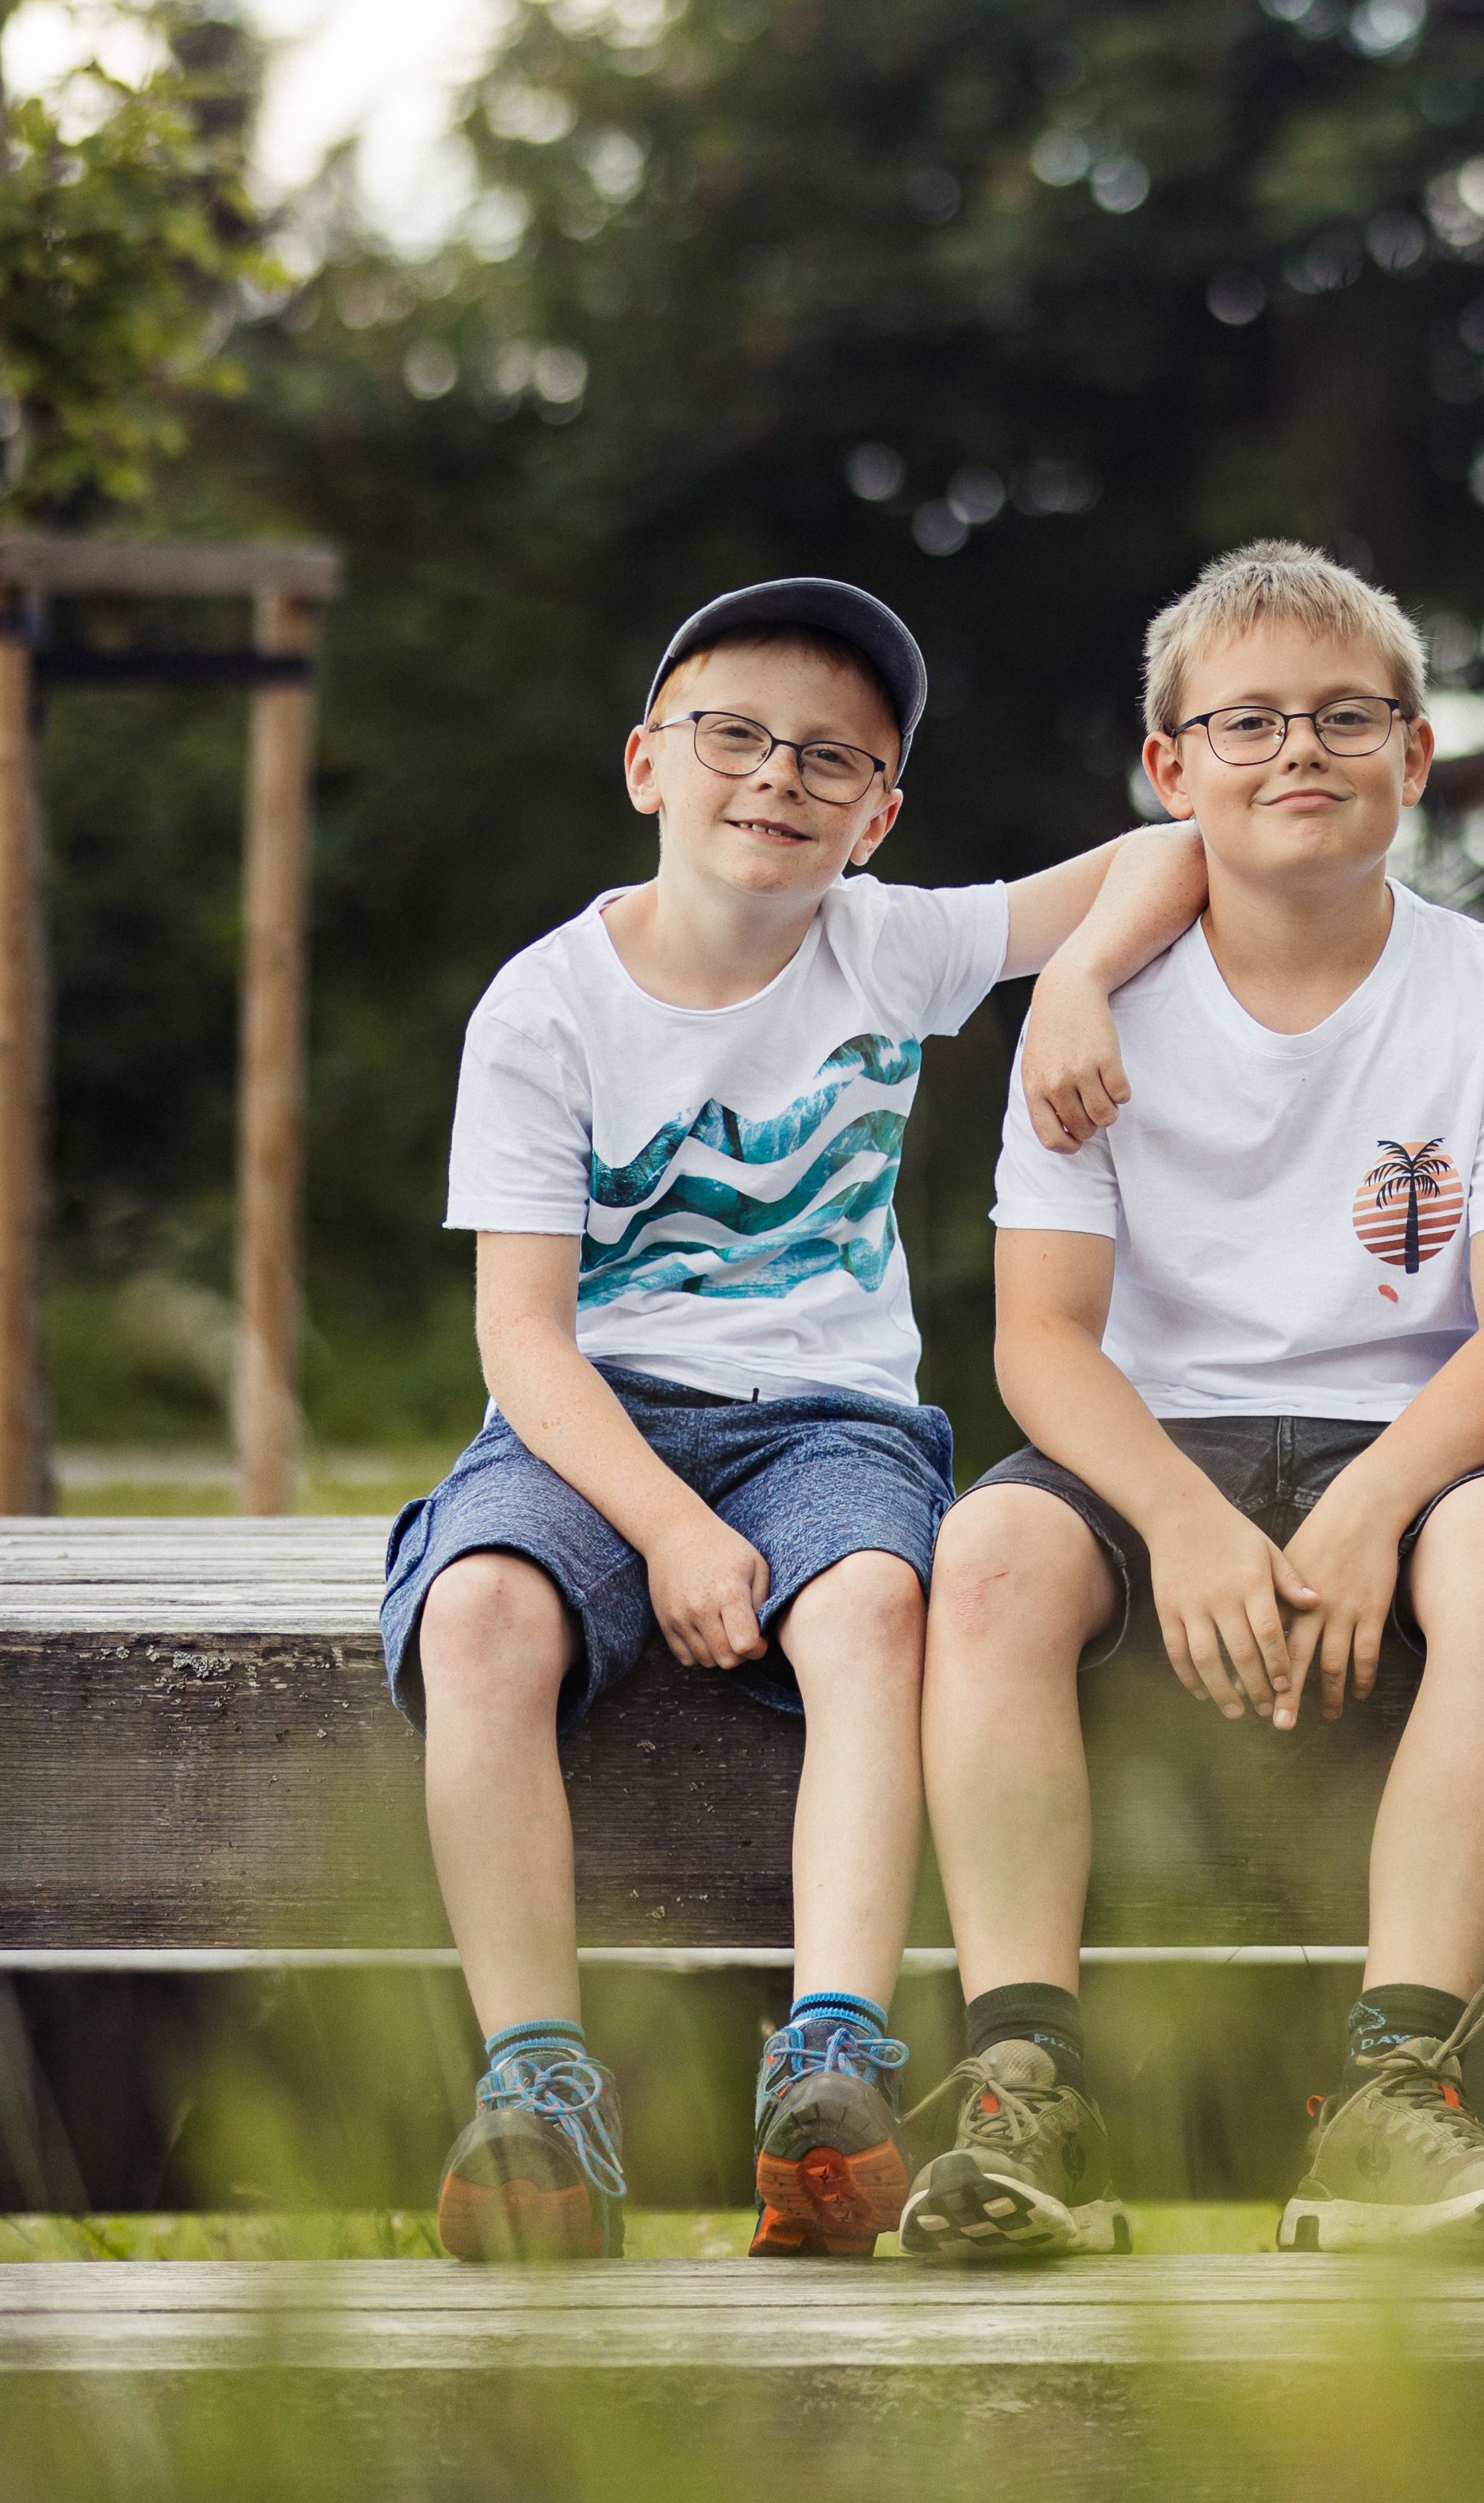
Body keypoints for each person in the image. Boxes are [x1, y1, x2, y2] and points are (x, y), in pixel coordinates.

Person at [389, 577, 1204, 2260]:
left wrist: (1070, 983)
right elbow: (521, 1336)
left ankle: (830, 2060)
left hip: (830, 1418)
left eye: (835, 757)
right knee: (476, 1613)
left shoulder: (885, 943)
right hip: (591, 1417)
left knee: (875, 1604)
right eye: (735, 735)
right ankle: (540, 2087)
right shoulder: (545, 1006)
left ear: (878, 815)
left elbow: (1171, 847)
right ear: (647, 763)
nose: (778, 775)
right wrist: (672, 1527)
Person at [900, 543, 1484, 2260]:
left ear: (1414, 755)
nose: (1300, 749)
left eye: (1347, 716)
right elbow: (1041, 1339)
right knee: (985, 1553)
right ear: (1171, 766)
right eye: (1250, 720)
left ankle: (1392, 2089)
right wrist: (1182, 1519)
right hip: (1152, 1443)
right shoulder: (1093, 1008)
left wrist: (1368, 1508)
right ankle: (1024, 2084)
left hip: (1416, 1443)